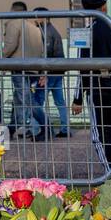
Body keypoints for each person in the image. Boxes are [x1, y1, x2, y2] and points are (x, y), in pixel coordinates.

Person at [71, 0, 111, 168]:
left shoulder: (87, 33)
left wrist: (77, 98)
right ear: (102, 6)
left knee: (99, 136)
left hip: (96, 88)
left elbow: (83, 67)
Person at [2, 0, 47, 141]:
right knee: (19, 99)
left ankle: (46, 127)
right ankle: (10, 129)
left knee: (27, 100)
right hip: (33, 68)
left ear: (12, 10)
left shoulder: (14, 23)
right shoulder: (34, 27)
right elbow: (41, 50)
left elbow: (10, 45)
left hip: (19, 67)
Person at [31, 8, 70, 137]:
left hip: (49, 72)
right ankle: (65, 129)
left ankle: (37, 130)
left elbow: (46, 54)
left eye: (36, 16)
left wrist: (44, 73)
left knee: (37, 101)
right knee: (60, 102)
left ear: (43, 17)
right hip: (57, 71)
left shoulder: (45, 32)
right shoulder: (52, 30)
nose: (34, 19)